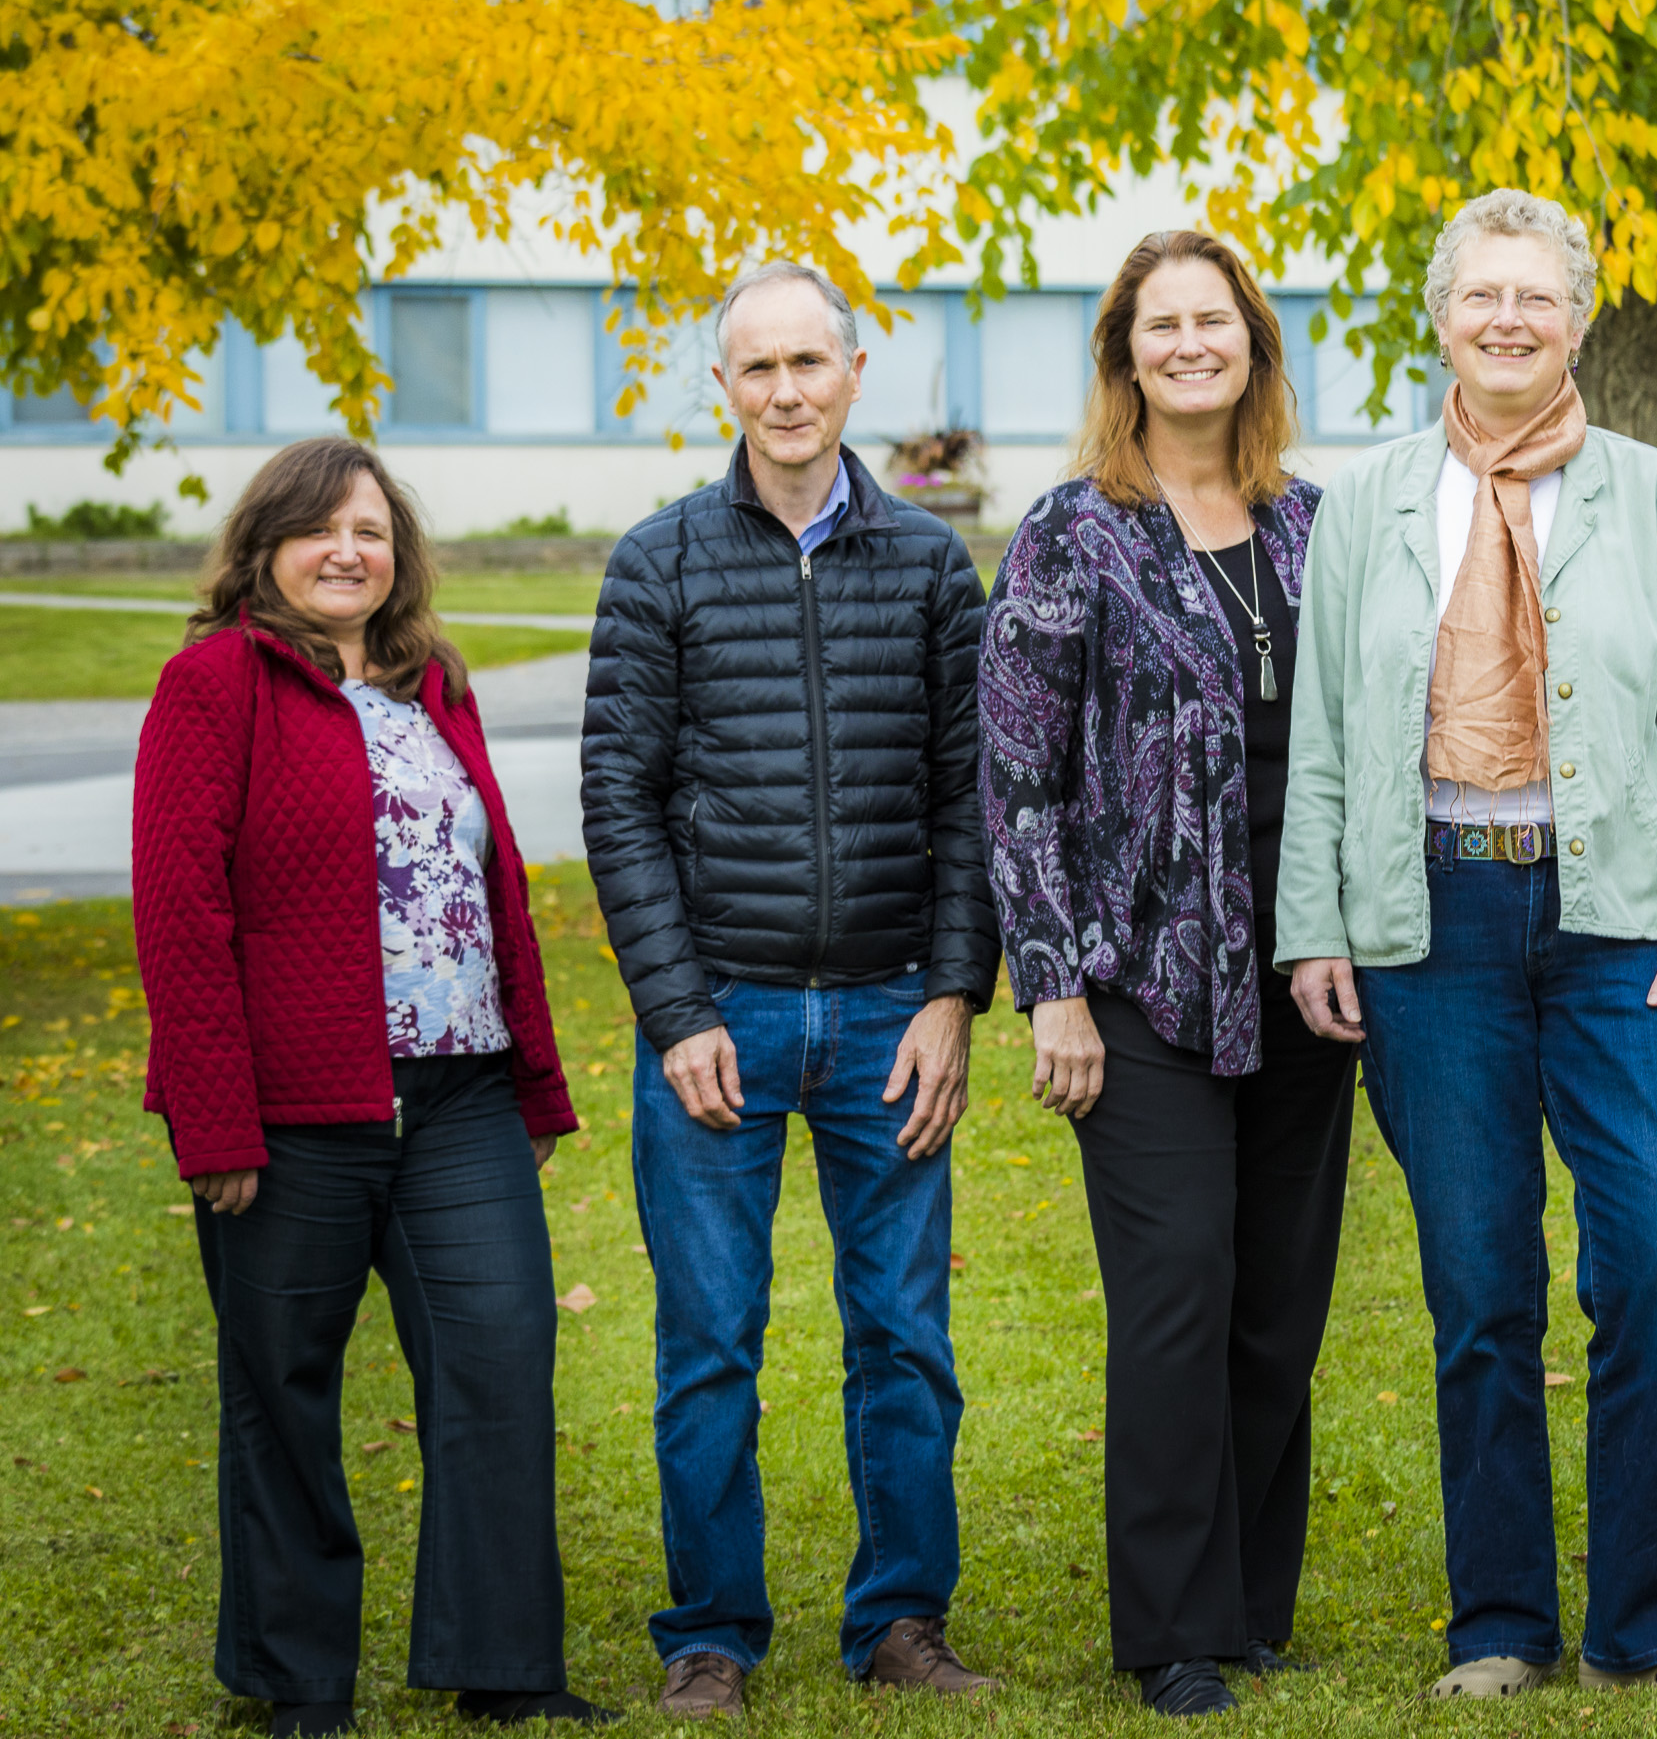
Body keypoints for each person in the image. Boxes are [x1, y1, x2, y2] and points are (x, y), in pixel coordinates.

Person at [1274, 188, 1657, 1698]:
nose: (1506, 320)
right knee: (1480, 1282)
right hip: (1431, 925)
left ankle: (1654, 1616)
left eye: (1535, 298)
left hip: (1618, 925)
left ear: (1578, 317)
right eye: (1482, 296)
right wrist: (1314, 929)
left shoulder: (1651, 494)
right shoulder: (1365, 502)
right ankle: (1499, 1623)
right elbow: (1330, 738)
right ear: (1440, 315)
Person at [582, 262, 1002, 1717]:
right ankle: (710, 1632)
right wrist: (676, 1008)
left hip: (893, 1011)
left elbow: (972, 802)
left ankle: (901, 1621)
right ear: (724, 388)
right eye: (755, 368)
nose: (784, 391)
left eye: (807, 362)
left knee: (903, 1337)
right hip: (722, 1018)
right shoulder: (661, 563)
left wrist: (955, 994)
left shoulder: (934, 568)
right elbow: (619, 802)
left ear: (853, 372)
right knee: (710, 1340)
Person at [132, 439, 604, 1735]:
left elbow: (489, 887)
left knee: (501, 1361)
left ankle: (502, 1669)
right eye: (321, 527)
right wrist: (214, 1118)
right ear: (265, 546)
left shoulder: (430, 682)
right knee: (283, 1389)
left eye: (373, 529)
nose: (350, 549)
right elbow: (181, 914)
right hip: (292, 1115)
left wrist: (536, 1085)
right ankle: (295, 1682)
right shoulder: (211, 684)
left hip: (458, 1102)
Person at [980, 231, 1359, 1718]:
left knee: (1280, 1300)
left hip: (1304, 975)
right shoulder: (1073, 535)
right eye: (1162, 324)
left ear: (1254, 345)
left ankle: (1254, 1602)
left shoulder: (1315, 527)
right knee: (1180, 1292)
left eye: (1216, 321)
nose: (1191, 344)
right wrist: (1053, 985)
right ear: (1125, 355)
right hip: (1138, 983)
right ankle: (1173, 1627)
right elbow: (1016, 781)